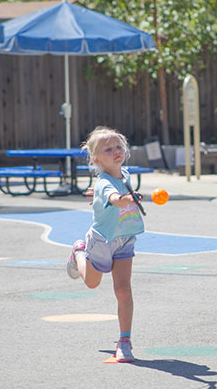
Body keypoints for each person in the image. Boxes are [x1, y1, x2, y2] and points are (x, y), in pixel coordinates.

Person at [67, 126, 144, 362]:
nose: (116, 151)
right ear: (96, 159)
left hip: (125, 239)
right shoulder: (104, 183)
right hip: (102, 241)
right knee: (92, 283)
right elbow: (113, 197)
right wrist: (125, 199)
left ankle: (124, 341)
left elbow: (111, 190)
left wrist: (99, 195)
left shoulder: (126, 175)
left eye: (118, 146)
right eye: (108, 149)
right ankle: (79, 251)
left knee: (123, 290)